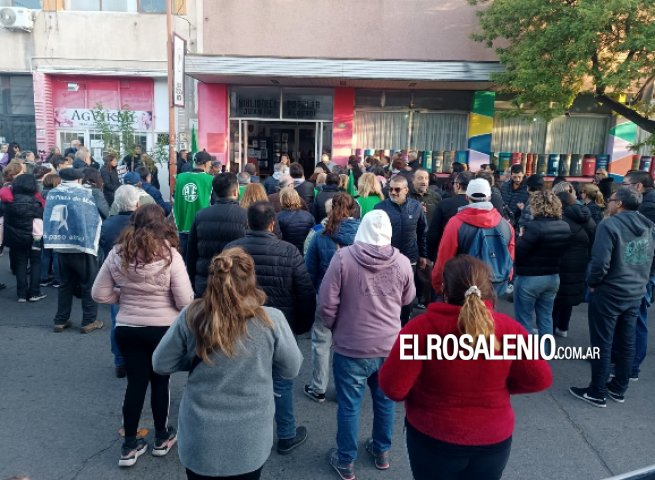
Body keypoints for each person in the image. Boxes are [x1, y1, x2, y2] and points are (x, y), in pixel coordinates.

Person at [379, 255, 553, 480]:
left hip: (434, 437)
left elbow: (393, 388)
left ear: (444, 289)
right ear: (488, 288)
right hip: (493, 440)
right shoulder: (510, 330)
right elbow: (540, 378)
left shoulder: (421, 329)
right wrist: (502, 386)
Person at [152, 247, 302, 480]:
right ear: (252, 280)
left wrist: (194, 356)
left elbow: (161, 363)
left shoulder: (192, 316)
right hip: (249, 441)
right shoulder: (271, 319)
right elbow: (292, 368)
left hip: (200, 439)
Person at [92, 204, 194, 467]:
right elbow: (185, 301)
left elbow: (99, 293)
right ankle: (161, 437)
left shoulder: (118, 253)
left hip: (128, 327)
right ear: (162, 224)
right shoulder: (170, 256)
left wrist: (124, 297)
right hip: (162, 329)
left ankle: (129, 445)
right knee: (161, 382)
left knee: (135, 385)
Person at [320, 209, 415, 480]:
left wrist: (333, 326)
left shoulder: (342, 259)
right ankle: (381, 451)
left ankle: (346, 460)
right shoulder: (401, 262)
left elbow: (327, 303)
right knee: (385, 401)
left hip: (351, 346)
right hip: (389, 346)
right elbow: (409, 298)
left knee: (349, 405)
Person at [225, 202, 315, 455]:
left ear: (247, 223)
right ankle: (286, 434)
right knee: (282, 381)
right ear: (272, 223)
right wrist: (301, 325)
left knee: (242, 379)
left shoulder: (231, 250)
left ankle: (241, 431)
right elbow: (305, 291)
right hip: (280, 325)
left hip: (239, 324)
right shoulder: (288, 251)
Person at [570, 187, 655, 407]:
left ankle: (597, 391)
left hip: (610, 292)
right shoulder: (649, 226)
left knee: (602, 342)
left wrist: (594, 283)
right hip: (636, 290)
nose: (608, 202)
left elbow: (600, 262)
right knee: (627, 342)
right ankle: (618, 388)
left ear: (619, 204)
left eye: (611, 200)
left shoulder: (609, 225)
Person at [303, 193, 360, 403]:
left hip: (325, 295)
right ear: (354, 209)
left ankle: (318, 387)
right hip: (354, 297)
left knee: (321, 341)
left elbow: (310, 270)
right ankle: (344, 386)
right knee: (346, 344)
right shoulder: (362, 236)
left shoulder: (320, 236)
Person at [44, 167, 103, 333]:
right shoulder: (88, 194)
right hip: (84, 247)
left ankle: (60, 320)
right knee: (88, 285)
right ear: (79, 179)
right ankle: (88, 321)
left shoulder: (53, 193)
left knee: (65, 285)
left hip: (61, 247)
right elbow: (101, 214)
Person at [433, 178, 514, 298]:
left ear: (466, 197)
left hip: (463, 286)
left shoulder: (455, 223)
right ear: (489, 197)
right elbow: (510, 258)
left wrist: (438, 285)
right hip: (493, 287)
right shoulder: (506, 225)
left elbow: (444, 259)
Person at [514, 191, 571, 340]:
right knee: (546, 317)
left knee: (524, 318)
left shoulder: (534, 227)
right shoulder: (565, 226)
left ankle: (524, 356)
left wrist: (520, 236)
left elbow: (519, 252)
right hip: (553, 277)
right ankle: (545, 352)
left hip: (530, 277)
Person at [98, 185, 141, 377]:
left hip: (117, 279)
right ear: (138, 204)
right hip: (141, 279)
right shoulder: (142, 226)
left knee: (118, 322)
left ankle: (120, 361)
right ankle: (141, 359)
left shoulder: (107, 224)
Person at [374, 175, 427, 325]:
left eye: (397, 189)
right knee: (387, 293)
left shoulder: (416, 207)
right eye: (390, 189)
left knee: (407, 293)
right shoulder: (380, 208)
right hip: (387, 259)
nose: (393, 192)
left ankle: (404, 322)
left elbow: (422, 231)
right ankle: (388, 322)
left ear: (406, 190)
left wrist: (423, 255)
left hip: (410, 258)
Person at [187, 173, 248, 296]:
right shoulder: (245, 216)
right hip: (235, 281)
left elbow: (191, 252)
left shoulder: (201, 215)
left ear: (214, 192)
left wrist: (193, 281)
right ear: (236, 191)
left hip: (206, 280)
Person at [621, 170, 655, 380]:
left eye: (625, 184)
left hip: (642, 272)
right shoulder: (646, 204)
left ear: (638, 186)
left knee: (636, 320)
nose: (622, 187)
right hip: (641, 271)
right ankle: (622, 360)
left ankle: (631, 366)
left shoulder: (648, 208)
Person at [552, 190, 595, 338]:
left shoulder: (561, 219)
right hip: (580, 262)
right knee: (569, 296)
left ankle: (550, 328)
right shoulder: (588, 217)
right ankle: (563, 327)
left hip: (561, 261)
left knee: (557, 297)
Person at [0, 174, 46, 303]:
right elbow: (41, 217)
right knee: (36, 263)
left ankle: (21, 294)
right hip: (34, 238)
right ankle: (34, 293)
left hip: (15, 238)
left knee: (20, 264)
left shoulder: (8, 201)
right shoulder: (36, 202)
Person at [173, 151, 214, 259]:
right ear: (206, 164)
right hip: (201, 225)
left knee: (183, 259)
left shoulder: (180, 177)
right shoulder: (211, 180)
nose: (210, 167)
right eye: (210, 165)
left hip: (182, 222)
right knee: (197, 259)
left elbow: (174, 197)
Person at [426, 171, 473, 261]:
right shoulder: (479, 206)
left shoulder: (444, 204)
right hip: (472, 258)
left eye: (453, 183)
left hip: (448, 255)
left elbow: (433, 234)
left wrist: (431, 256)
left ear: (458, 185)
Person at [277, 188, 316, 254]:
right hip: (304, 253)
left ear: (282, 199)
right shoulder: (309, 216)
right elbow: (313, 236)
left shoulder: (278, 217)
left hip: (285, 253)